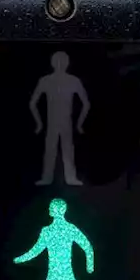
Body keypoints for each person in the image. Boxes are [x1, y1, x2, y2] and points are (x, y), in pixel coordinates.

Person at [14, 198, 96, 280]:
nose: (50, 209)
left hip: (58, 272)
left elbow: (35, 251)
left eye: (52, 207)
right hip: (61, 271)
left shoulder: (49, 231)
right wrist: (89, 266)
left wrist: (20, 259)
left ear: (57, 210)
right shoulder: (67, 229)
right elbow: (87, 247)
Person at [30, 51, 90, 186]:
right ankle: (49, 178)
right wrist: (38, 124)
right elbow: (32, 103)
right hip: (54, 122)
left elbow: (86, 104)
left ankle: (68, 178)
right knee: (53, 150)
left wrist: (80, 124)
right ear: (52, 63)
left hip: (65, 122)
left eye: (62, 61)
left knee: (66, 150)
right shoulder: (46, 80)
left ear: (67, 63)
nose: (60, 64)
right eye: (57, 61)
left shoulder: (73, 80)